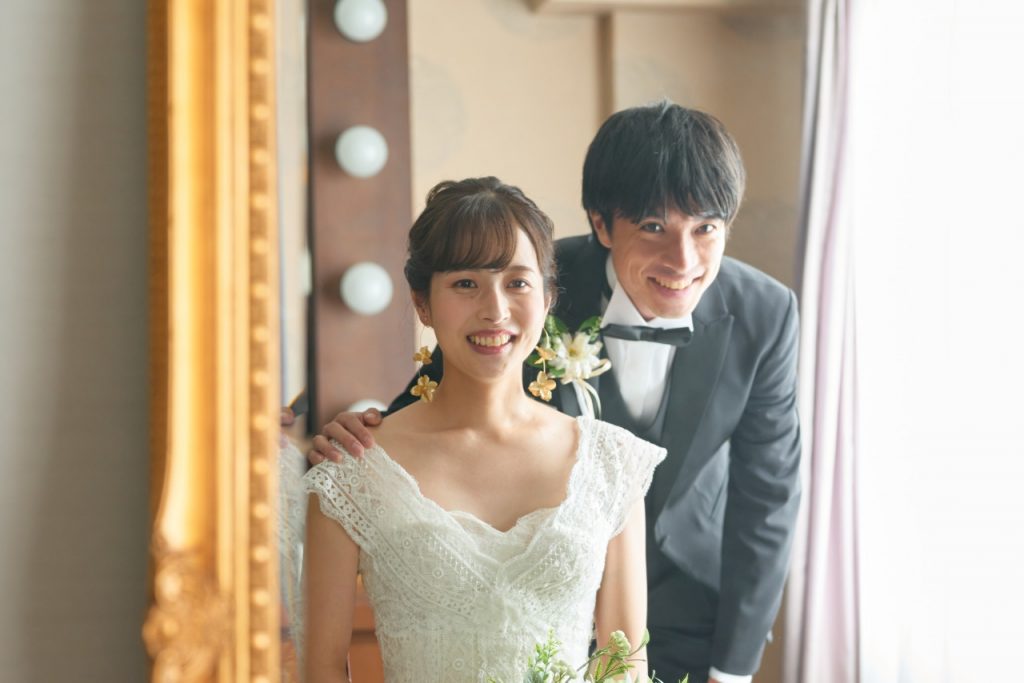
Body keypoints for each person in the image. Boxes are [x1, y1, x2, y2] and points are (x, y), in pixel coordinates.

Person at [312, 102, 802, 683]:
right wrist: (357, 436)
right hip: (530, 600)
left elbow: (767, 496)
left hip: (693, 611)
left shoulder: (765, 312)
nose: (683, 260)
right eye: (653, 227)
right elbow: (444, 390)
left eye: (706, 228)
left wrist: (733, 670)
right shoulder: (524, 277)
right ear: (601, 224)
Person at [294, 177, 666, 682]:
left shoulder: (611, 462)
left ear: (548, 297)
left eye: (517, 283)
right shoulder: (351, 469)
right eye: (466, 283)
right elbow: (320, 670)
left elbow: (625, 666)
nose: (495, 310)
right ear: (422, 303)